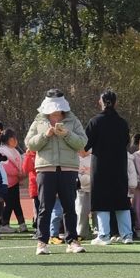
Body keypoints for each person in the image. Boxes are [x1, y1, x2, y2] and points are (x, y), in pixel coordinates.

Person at [25, 88, 88, 255]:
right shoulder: (39, 120)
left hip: (68, 168)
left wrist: (66, 134)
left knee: (69, 206)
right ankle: (42, 242)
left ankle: (72, 241)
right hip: (45, 168)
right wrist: (45, 135)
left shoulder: (73, 120)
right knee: (45, 207)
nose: (56, 110)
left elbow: (82, 142)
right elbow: (29, 144)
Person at [84, 89, 135, 244]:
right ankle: (127, 235)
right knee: (122, 200)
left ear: (100, 102)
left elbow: (85, 145)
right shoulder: (122, 122)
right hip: (119, 165)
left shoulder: (95, 121)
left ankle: (104, 235)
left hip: (100, 166)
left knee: (102, 200)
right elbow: (126, 142)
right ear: (115, 103)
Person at [0, 128, 27, 233]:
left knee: (16, 203)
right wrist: (18, 173)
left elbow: (20, 162)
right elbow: (6, 167)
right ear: (9, 140)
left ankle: (22, 224)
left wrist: (21, 173)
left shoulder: (13, 150)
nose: (15, 140)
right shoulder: (2, 151)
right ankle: (4, 224)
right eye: (13, 138)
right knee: (10, 204)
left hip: (14, 181)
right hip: (6, 183)